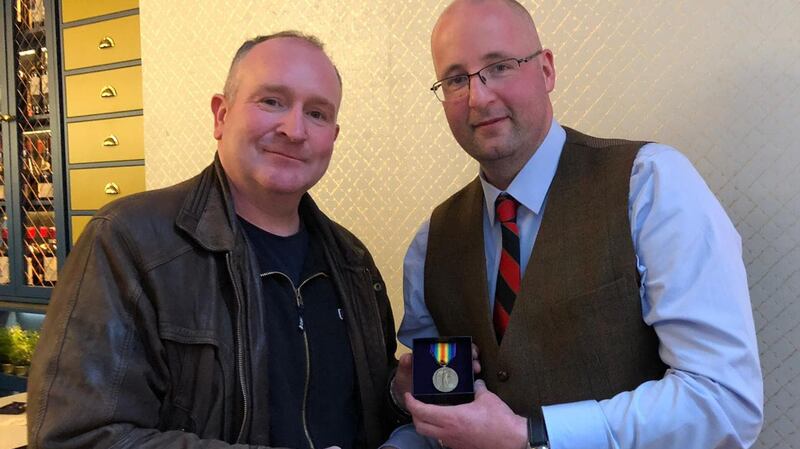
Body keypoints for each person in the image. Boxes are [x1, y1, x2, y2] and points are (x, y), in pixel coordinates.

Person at [385, 1, 764, 448]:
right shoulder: (430, 244)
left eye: (500, 66)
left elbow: (724, 401)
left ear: (546, 70)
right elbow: (438, 425)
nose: (478, 97)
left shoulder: (649, 186)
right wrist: (406, 397)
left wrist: (531, 435)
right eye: (454, 79)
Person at [28, 31, 402, 449]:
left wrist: (398, 394)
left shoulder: (353, 261)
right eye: (272, 101)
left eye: (317, 113)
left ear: (333, 136)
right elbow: (77, 436)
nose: (294, 129)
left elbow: (362, 414)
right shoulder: (128, 241)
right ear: (221, 116)